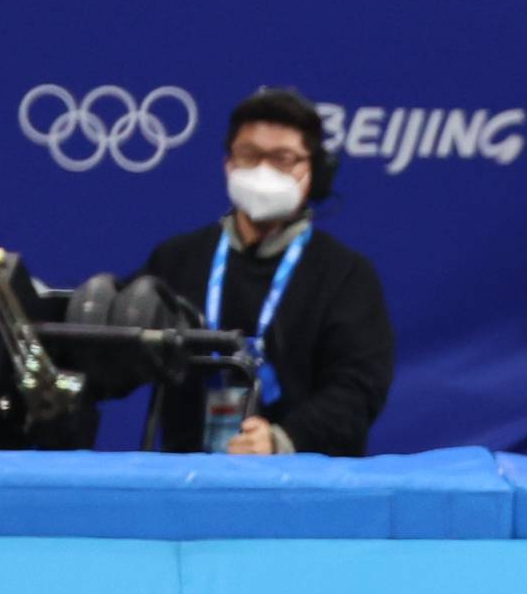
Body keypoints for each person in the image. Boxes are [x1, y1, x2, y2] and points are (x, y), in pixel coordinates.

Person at [138, 88, 395, 456]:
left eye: (282, 158)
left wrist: (283, 440)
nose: (262, 170)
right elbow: (122, 343)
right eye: (249, 155)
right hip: (187, 479)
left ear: (313, 173)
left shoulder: (347, 275)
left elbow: (359, 390)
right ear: (229, 164)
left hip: (306, 486)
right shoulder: (178, 258)